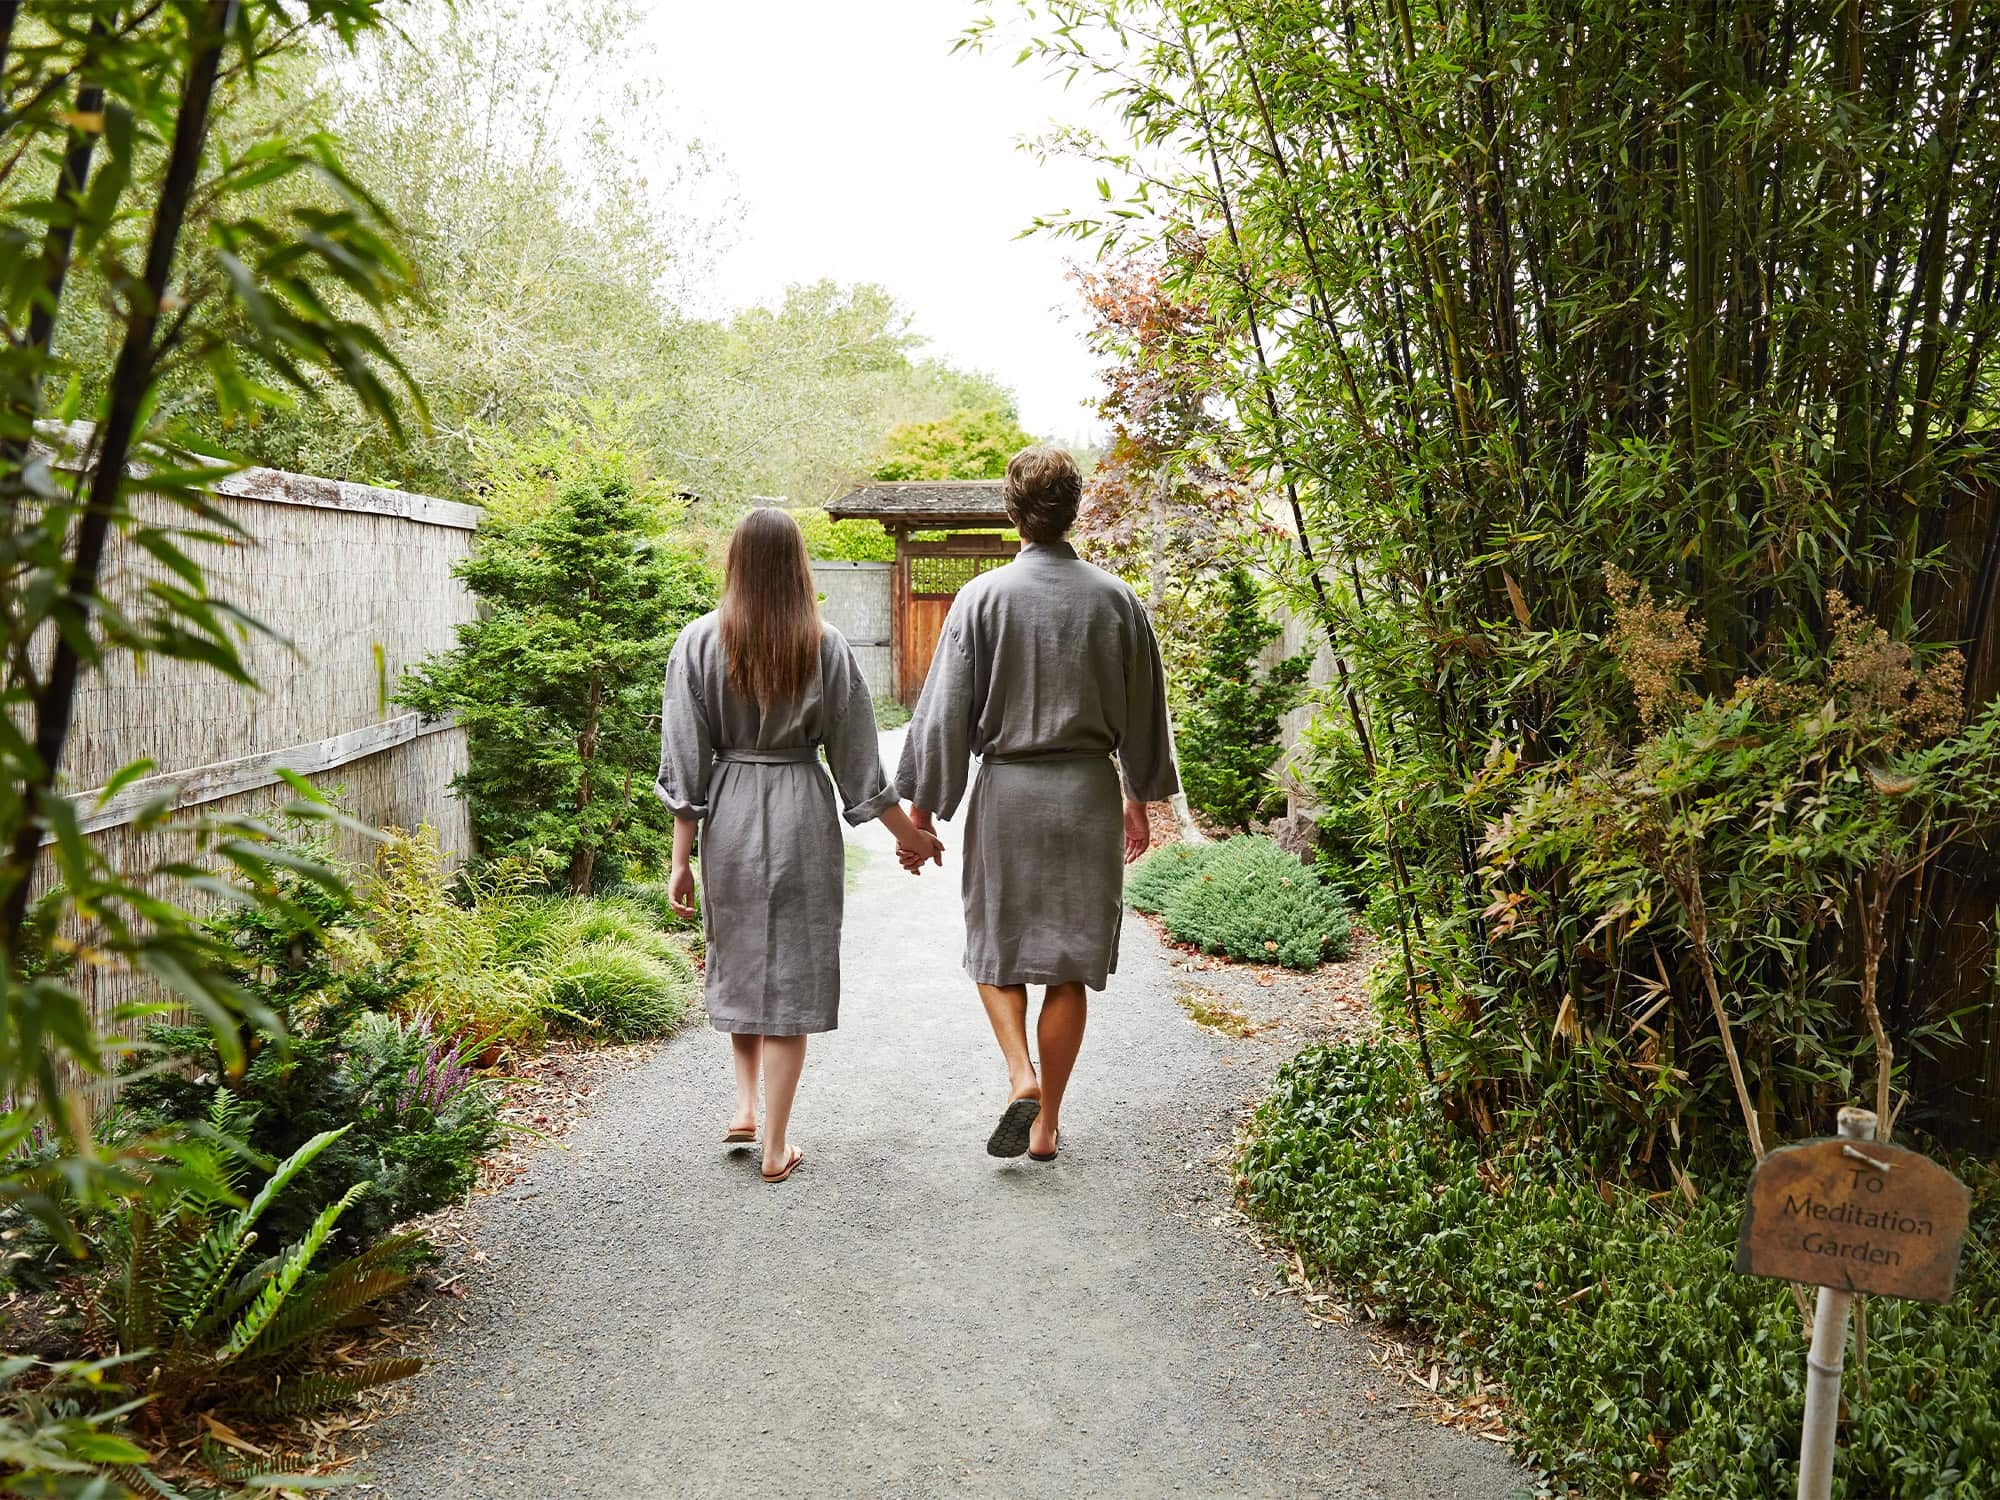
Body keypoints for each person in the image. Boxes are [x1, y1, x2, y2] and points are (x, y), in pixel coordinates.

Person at [896, 445, 1179, 1161]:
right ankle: (1047, 1126)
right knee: (1069, 963)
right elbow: (1146, 710)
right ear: (1075, 508)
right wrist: (1138, 797)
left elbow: (945, 715)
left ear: (1011, 512)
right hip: (1087, 790)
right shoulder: (1116, 599)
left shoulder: (982, 598)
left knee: (997, 952)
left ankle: (1019, 1072)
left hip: (1009, 795)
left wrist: (922, 816)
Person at [657, 507, 943, 1184]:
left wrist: (679, 859)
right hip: (799, 813)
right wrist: (915, 839)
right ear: (797, 569)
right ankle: (774, 1141)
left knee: (741, 955)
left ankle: (744, 1108)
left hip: (729, 814)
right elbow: (860, 771)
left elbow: (685, 764)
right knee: (792, 971)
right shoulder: (827, 645)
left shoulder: (696, 643)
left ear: (735, 562)